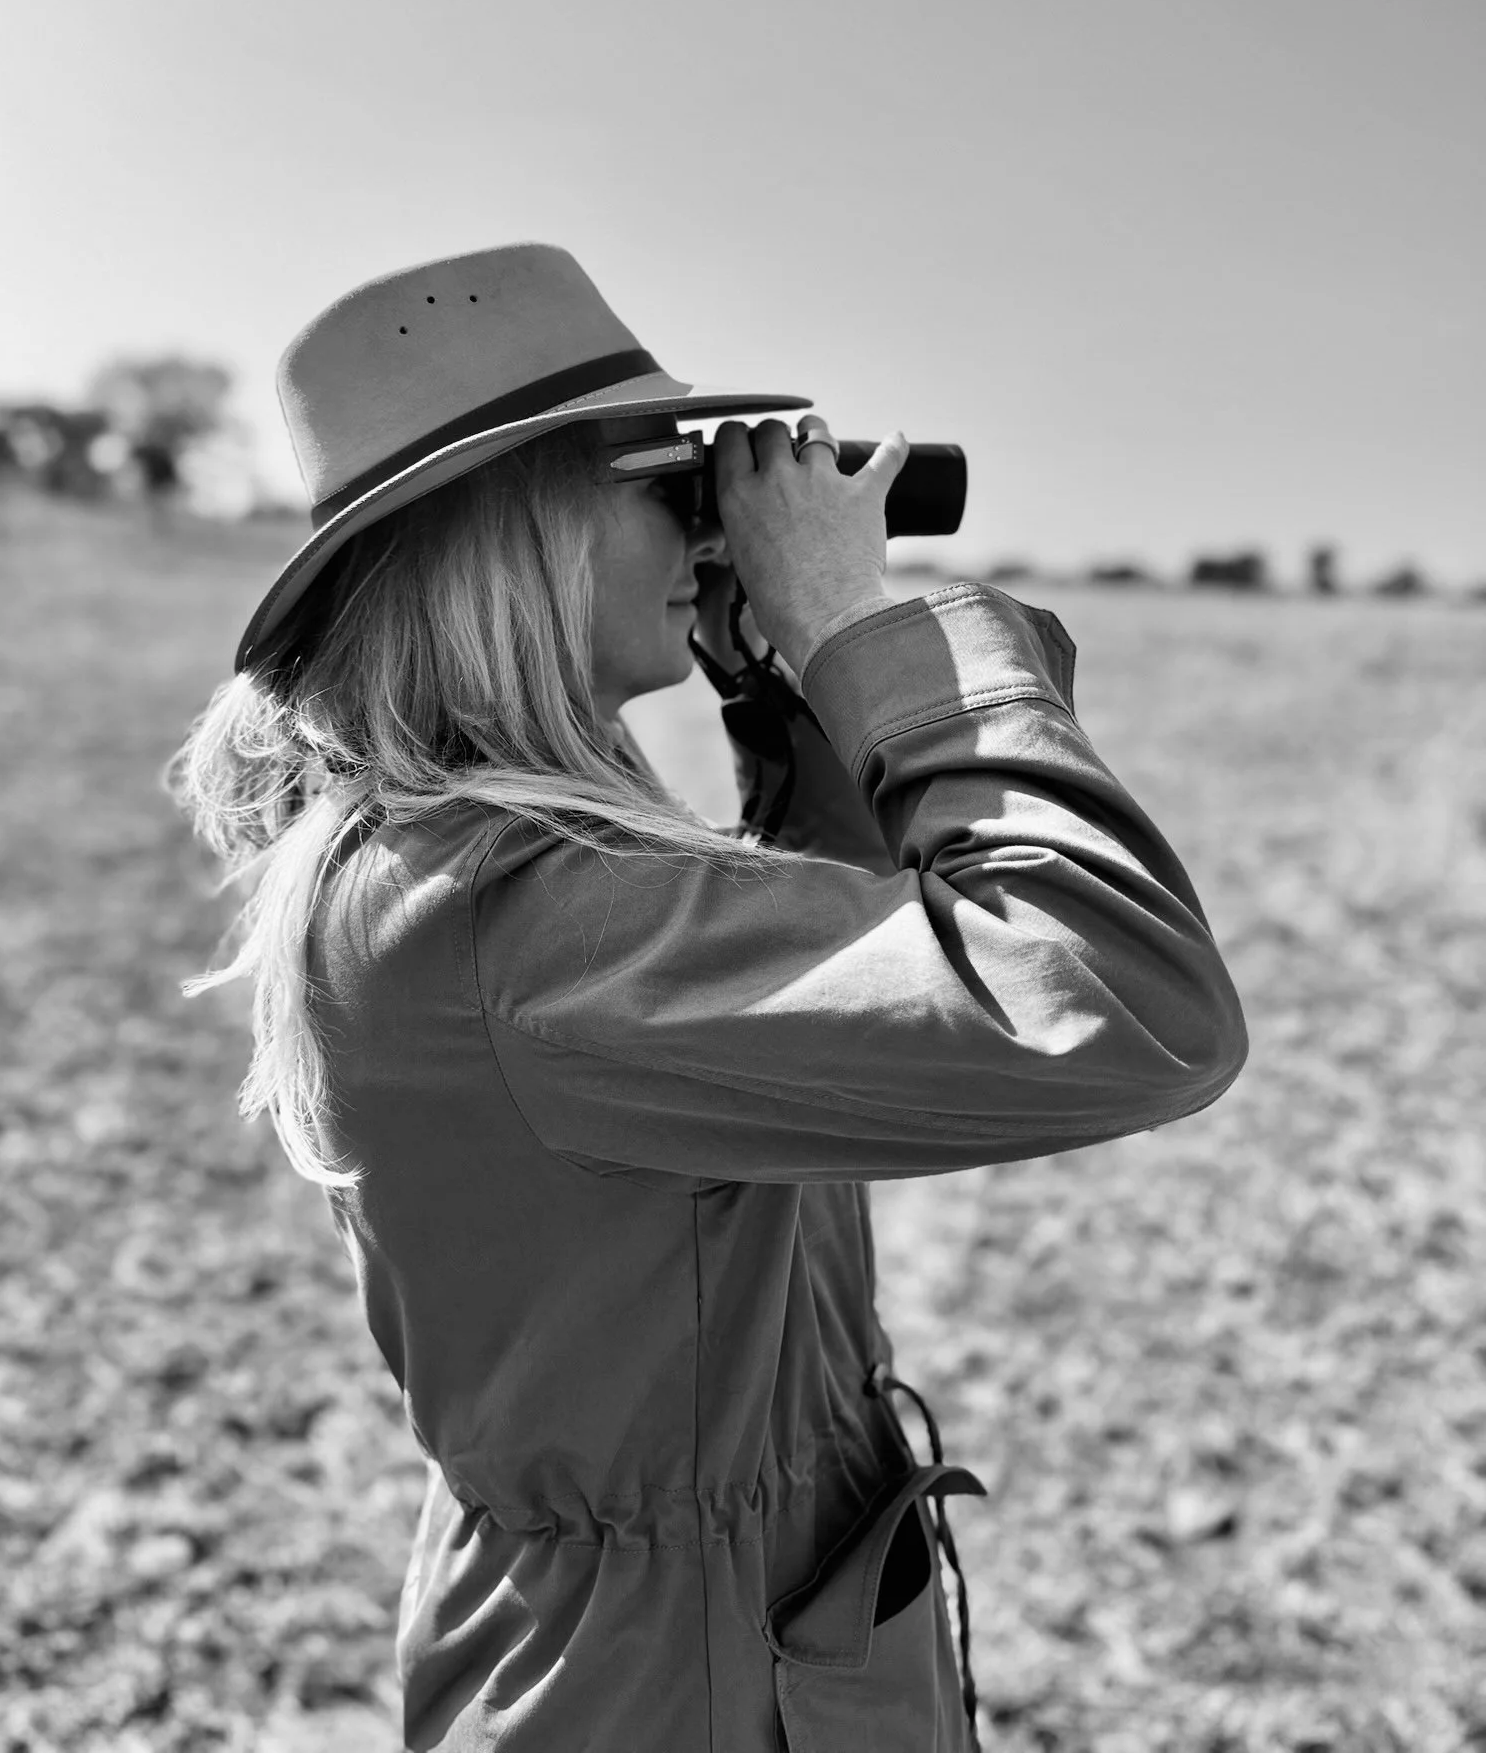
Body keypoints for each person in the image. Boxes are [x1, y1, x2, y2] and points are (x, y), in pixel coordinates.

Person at [170, 243, 1247, 1753]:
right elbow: (1120, 999)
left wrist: (790, 707)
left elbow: (812, 1027)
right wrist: (866, 641)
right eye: (664, 479)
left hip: (705, 1639)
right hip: (689, 1685)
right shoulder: (513, 916)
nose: (708, 521)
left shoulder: (460, 869)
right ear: (520, 526)